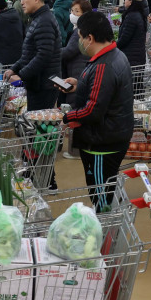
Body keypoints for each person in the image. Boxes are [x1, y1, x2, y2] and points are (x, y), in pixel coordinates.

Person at [58, 11, 134, 211]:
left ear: (90, 38)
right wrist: (79, 85)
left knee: (101, 195)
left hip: (102, 142)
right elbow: (103, 93)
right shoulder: (115, 55)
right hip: (112, 134)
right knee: (104, 189)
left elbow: (93, 110)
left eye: (81, 37)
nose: (80, 42)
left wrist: (66, 117)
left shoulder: (103, 65)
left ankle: (104, 232)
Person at [4, 0, 61, 113]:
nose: (21, 2)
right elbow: (29, 53)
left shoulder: (44, 21)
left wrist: (21, 75)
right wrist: (15, 69)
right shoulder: (38, 18)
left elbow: (43, 55)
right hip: (38, 83)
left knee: (38, 128)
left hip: (44, 85)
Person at [116, 0, 147, 71]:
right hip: (137, 56)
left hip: (131, 57)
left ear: (131, 1)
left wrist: (113, 46)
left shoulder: (131, 17)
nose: (124, 1)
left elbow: (125, 38)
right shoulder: (139, 14)